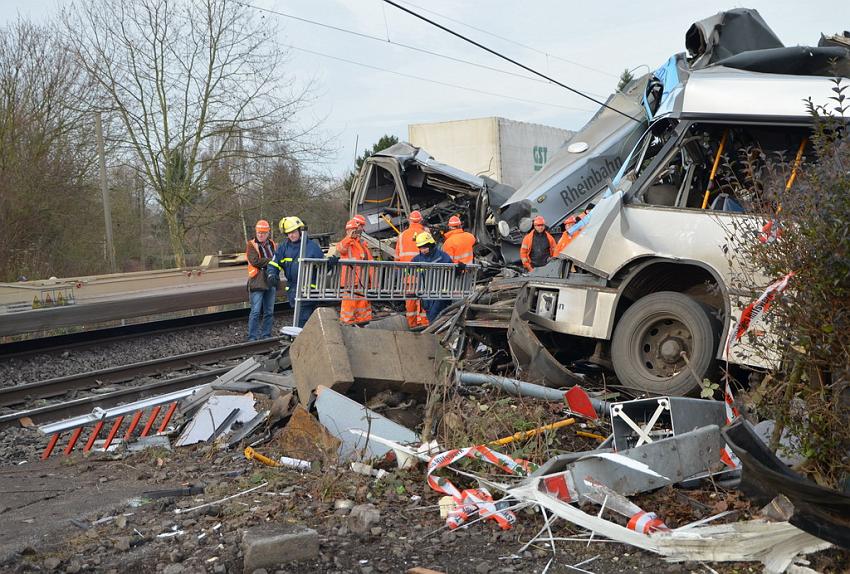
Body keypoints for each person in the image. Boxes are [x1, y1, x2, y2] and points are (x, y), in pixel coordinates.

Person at [267, 216, 325, 328]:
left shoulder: (312, 247)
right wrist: (272, 274)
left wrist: (329, 263)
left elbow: (323, 267)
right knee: (303, 321)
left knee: (302, 321)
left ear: (300, 230)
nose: (291, 235)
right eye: (288, 233)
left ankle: (302, 342)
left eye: (293, 232)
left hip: (309, 291)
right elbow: (274, 263)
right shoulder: (284, 247)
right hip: (293, 290)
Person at [411, 231, 456, 323]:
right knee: (431, 315)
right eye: (420, 248)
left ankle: (435, 334)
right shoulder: (418, 258)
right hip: (427, 293)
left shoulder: (442, 256)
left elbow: (452, 270)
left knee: (434, 315)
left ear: (431, 244)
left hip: (440, 292)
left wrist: (458, 269)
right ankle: (435, 333)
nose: (423, 250)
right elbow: (408, 270)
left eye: (424, 247)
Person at [337, 218, 373, 325]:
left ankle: (362, 323)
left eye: (356, 230)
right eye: (353, 230)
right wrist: (349, 238)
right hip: (350, 282)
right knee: (349, 305)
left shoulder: (362, 245)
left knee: (362, 305)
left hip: (362, 282)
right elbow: (340, 248)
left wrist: (373, 282)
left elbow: (370, 263)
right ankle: (347, 324)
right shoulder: (347, 243)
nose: (356, 233)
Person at [395, 210, 428, 328]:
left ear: (409, 220)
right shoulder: (425, 234)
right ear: (421, 220)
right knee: (424, 299)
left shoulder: (402, 235)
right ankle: (424, 323)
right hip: (423, 274)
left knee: (410, 300)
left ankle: (412, 324)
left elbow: (397, 258)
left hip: (407, 274)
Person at [246, 219, 277, 340]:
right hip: (257, 281)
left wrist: (270, 262)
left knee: (269, 311)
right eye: (259, 232)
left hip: (270, 280)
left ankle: (266, 335)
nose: (260, 235)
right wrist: (271, 261)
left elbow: (276, 259)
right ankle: (252, 337)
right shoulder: (251, 245)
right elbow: (255, 261)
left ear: (268, 233)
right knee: (255, 312)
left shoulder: (272, 244)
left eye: (263, 233)